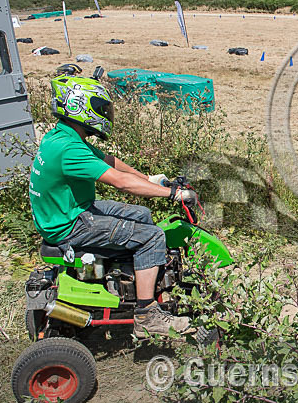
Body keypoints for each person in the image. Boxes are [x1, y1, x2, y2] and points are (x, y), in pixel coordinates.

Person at [29, 73, 197, 337]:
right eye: (100, 108)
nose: (105, 113)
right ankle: (147, 313)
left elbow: (110, 161)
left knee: (142, 214)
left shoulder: (61, 137)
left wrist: (150, 179)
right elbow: (120, 182)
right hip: (69, 225)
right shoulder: (70, 150)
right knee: (153, 237)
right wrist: (171, 194)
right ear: (79, 107)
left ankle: (131, 277)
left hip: (69, 211)